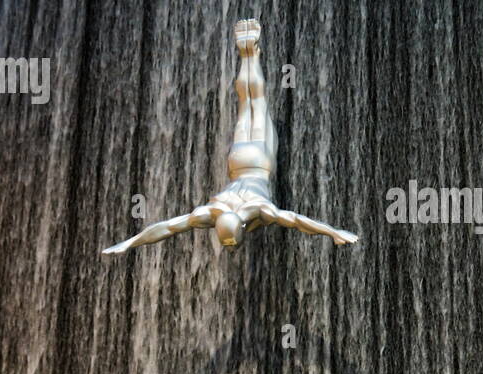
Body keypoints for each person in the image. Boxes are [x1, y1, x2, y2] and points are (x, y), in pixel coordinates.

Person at [103, 19, 359, 255]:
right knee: (247, 104)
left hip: (260, 162)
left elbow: (166, 228)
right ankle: (247, 55)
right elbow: (167, 227)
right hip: (237, 161)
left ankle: (250, 56)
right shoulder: (216, 213)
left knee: (256, 104)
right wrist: (334, 232)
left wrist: (129, 243)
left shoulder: (245, 210)